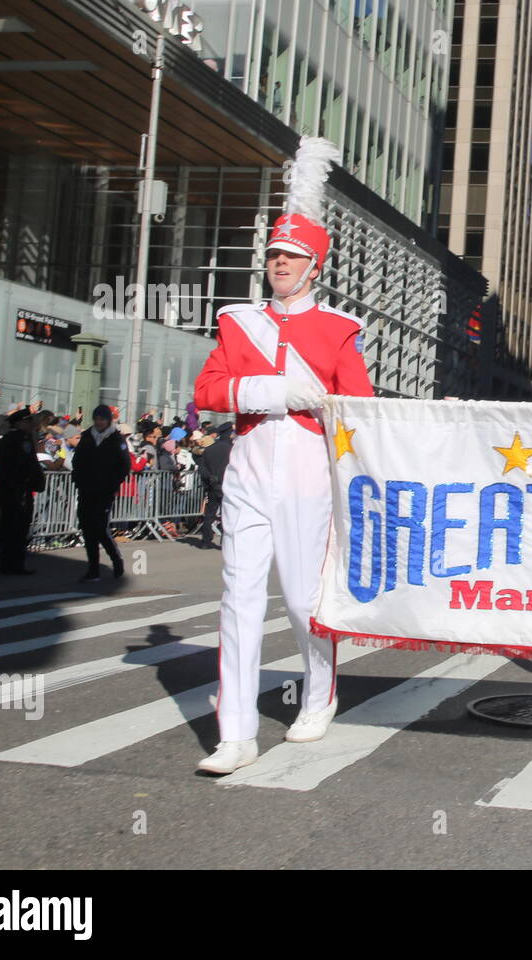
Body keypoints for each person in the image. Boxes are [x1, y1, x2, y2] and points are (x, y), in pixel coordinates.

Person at [192, 136, 374, 775]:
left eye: (293, 256)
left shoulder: (338, 330)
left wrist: (321, 409)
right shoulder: (238, 322)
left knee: (302, 599)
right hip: (248, 468)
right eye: (274, 254)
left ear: (314, 266)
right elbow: (208, 392)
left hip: (307, 475)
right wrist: (269, 390)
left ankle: (320, 689)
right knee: (238, 600)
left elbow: (361, 410)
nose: (280, 263)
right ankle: (236, 734)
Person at [71, 405, 132, 582]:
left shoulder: (116, 439)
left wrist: (112, 484)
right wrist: (78, 479)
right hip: (86, 489)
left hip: (105, 490)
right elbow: (78, 460)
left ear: (108, 420)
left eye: (102, 419)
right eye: (96, 419)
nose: (99, 422)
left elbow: (124, 465)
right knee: (87, 528)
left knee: (100, 528)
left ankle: (116, 560)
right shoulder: (88, 436)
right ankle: (93, 568)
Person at [0, 406, 45, 575]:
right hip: (17, 489)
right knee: (17, 527)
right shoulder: (20, 439)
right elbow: (27, 464)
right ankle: (14, 564)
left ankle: (9, 564)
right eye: (28, 421)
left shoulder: (13, 438)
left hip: (11, 488)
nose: (31, 424)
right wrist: (36, 480)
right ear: (21, 423)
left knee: (12, 527)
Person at [195, 422, 233, 549]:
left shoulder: (210, 449)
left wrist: (210, 477)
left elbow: (202, 468)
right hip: (228, 485)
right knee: (227, 515)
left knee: (210, 513)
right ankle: (226, 541)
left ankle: (206, 540)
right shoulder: (233, 449)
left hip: (213, 484)